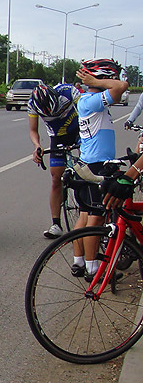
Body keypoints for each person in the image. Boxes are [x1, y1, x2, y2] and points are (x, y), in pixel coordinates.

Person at [70, 58, 129, 278]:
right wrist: (95, 82)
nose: (113, 81)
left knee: (85, 214)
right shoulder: (91, 100)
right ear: (102, 78)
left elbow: (118, 91)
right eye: (110, 78)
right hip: (97, 164)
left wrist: (96, 82)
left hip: (90, 161)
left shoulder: (89, 100)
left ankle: (79, 262)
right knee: (95, 217)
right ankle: (92, 267)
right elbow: (122, 87)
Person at [27, 83, 80, 238]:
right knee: (56, 179)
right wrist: (37, 146)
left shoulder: (68, 92)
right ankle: (56, 224)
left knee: (86, 170)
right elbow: (33, 130)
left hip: (79, 132)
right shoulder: (32, 105)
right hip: (58, 137)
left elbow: (87, 113)